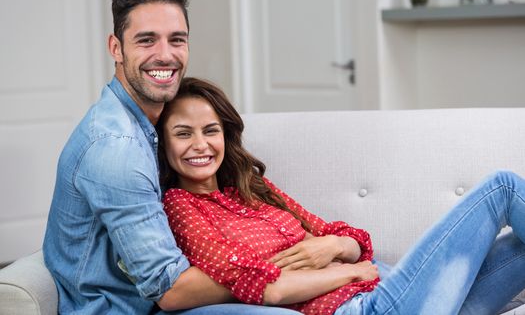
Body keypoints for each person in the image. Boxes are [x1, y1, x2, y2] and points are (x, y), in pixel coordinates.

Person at [43, 0, 300, 315]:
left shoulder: (154, 124)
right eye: (147, 40)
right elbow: (170, 289)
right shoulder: (117, 148)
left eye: (176, 40)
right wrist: (293, 268)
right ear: (115, 48)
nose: (165, 55)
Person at [157, 77, 525, 315]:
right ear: (164, 142)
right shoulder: (180, 205)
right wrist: (349, 274)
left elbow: (350, 239)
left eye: (210, 130)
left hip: (393, 289)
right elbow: (265, 287)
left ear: (226, 135)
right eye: (184, 133)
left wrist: (331, 247)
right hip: (365, 307)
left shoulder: (253, 190)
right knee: (503, 187)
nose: (200, 145)